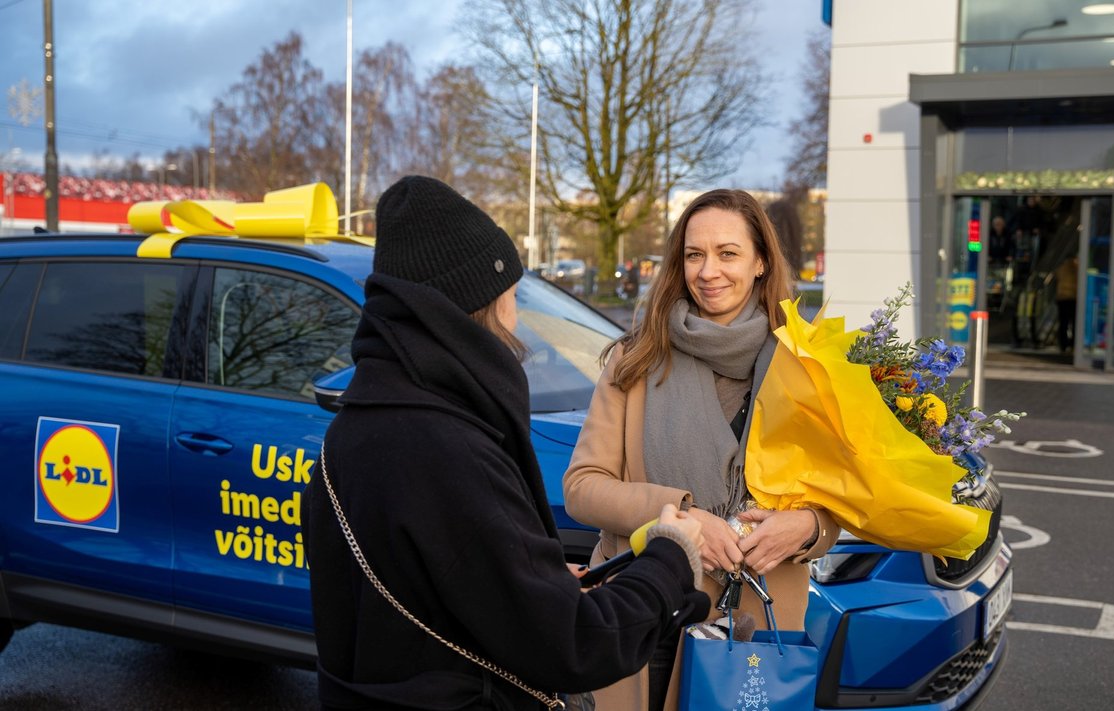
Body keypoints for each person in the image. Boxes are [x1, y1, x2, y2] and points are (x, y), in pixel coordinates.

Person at [302, 176, 712, 711]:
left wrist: (530, 578)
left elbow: (430, 586)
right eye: (512, 295)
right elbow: (577, 644)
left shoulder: (357, 426)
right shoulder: (448, 449)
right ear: (475, 306)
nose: (517, 316)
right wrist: (669, 558)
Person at [563, 189, 841, 711]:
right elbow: (582, 488)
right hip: (648, 613)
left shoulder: (804, 366)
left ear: (761, 262)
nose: (708, 270)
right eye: (695, 255)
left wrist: (807, 528)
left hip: (758, 625)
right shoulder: (637, 359)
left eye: (728, 253)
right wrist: (683, 520)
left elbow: (834, 503)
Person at [1055, 254, 1078, 354]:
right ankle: (1073, 345)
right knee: (1075, 323)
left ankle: (1063, 345)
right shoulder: (1077, 268)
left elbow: (1057, 277)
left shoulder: (1061, 269)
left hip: (1062, 298)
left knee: (1063, 322)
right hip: (1074, 298)